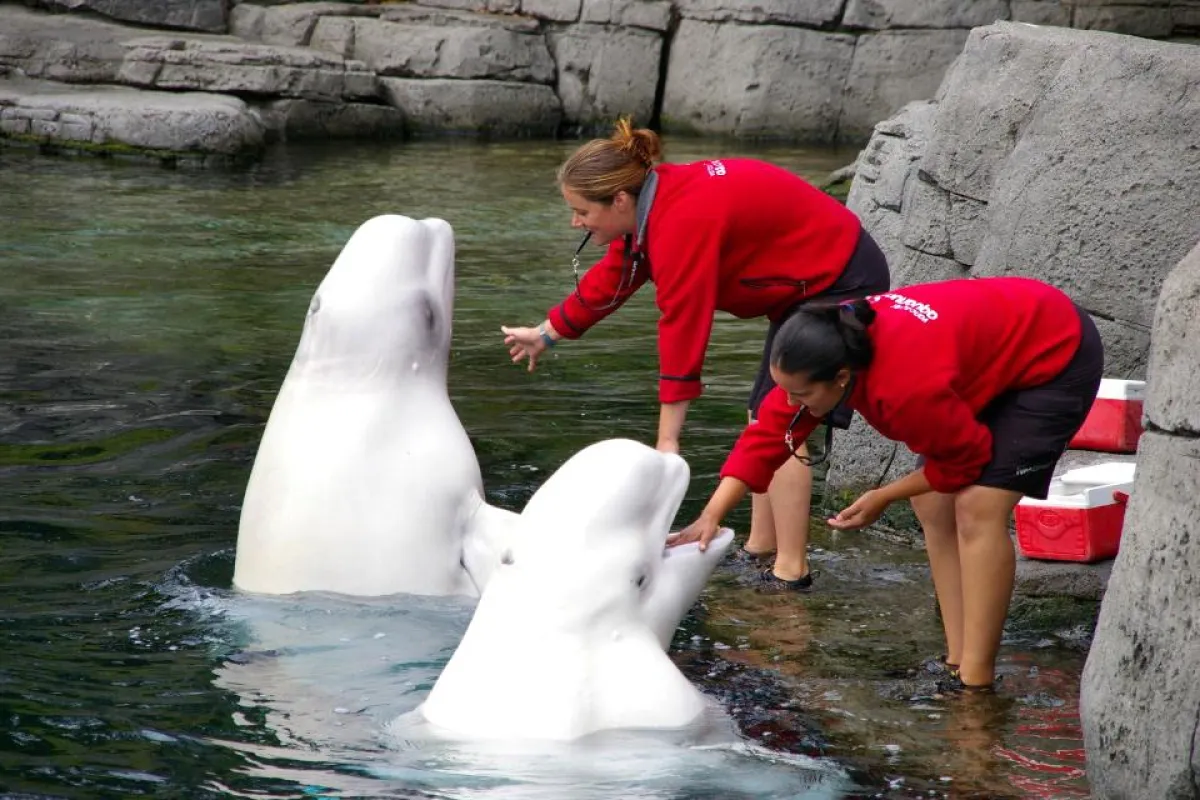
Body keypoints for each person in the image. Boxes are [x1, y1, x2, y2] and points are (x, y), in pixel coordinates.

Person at [500, 118, 890, 592]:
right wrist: (547, 333)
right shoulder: (651, 204)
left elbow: (684, 323)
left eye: (582, 211)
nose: (575, 222)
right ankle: (760, 548)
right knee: (762, 416)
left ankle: (791, 573)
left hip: (839, 277)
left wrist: (668, 441)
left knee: (785, 423)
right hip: (802, 286)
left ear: (618, 200)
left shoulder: (681, 220)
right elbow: (614, 280)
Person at [668, 277, 1103, 691]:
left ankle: (975, 681)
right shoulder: (827, 348)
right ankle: (956, 656)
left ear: (840, 378)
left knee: (978, 507)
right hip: (989, 351)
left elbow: (965, 461)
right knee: (932, 505)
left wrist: (882, 496)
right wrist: (712, 514)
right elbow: (766, 437)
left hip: (1053, 352)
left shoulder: (903, 388)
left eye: (801, 396)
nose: (791, 403)